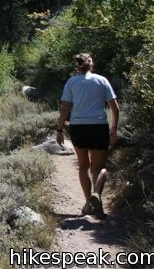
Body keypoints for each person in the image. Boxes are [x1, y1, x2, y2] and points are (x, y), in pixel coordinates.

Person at [56, 53, 119, 217]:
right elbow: (115, 108)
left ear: (77, 66)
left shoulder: (72, 82)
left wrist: (59, 129)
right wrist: (114, 129)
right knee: (100, 167)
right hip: (98, 126)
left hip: (78, 127)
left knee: (83, 166)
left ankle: (88, 204)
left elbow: (65, 108)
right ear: (91, 64)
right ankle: (97, 194)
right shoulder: (102, 80)